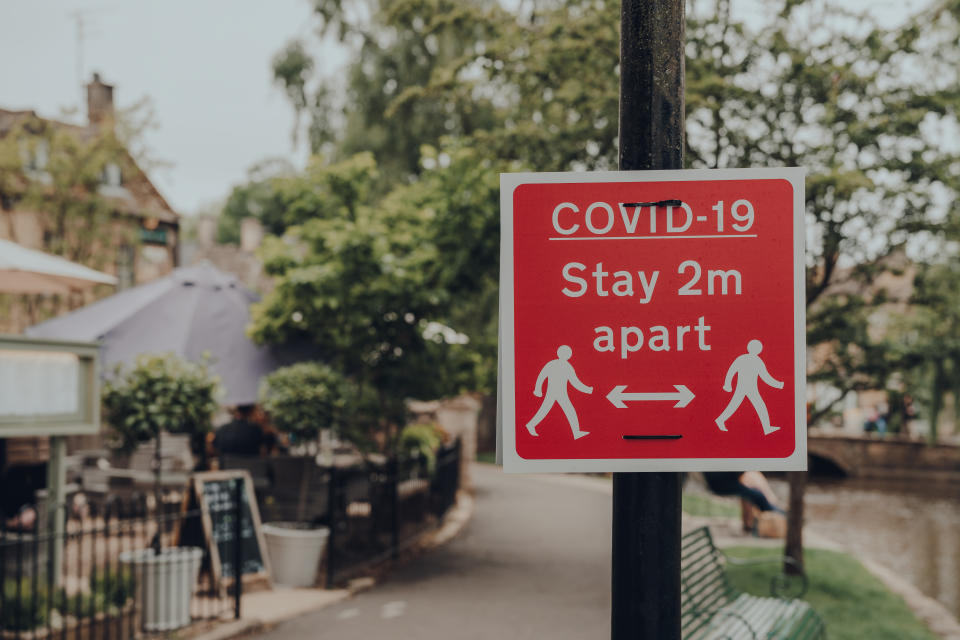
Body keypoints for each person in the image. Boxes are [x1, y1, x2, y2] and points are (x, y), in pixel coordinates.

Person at [716, 339, 784, 435]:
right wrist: (779, 384)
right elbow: (765, 377)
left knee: (740, 405)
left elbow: (765, 376)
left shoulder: (746, 359)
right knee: (754, 405)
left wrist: (728, 384)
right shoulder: (753, 360)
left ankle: (767, 428)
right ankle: (767, 428)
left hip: (749, 388)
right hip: (745, 388)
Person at [526, 345, 593, 440]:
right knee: (551, 410)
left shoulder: (565, 366)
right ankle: (531, 425)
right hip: (554, 392)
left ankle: (576, 432)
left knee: (565, 410)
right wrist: (537, 389)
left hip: (560, 393)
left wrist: (587, 389)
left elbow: (575, 382)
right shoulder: (555, 365)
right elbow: (542, 376)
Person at [703, 471, 785, 534]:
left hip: (724, 483)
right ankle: (777, 513)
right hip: (721, 485)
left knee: (755, 491)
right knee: (757, 495)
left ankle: (774, 511)